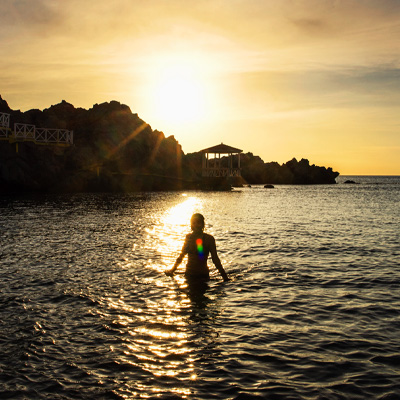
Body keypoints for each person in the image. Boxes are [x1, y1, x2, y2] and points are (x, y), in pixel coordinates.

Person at [165, 213, 229, 282]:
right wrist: (172, 270)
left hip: (203, 276)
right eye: (193, 223)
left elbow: (215, 259)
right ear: (191, 224)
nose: (196, 225)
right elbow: (181, 255)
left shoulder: (209, 239)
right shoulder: (188, 238)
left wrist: (224, 277)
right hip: (189, 274)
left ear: (203, 224)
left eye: (198, 223)